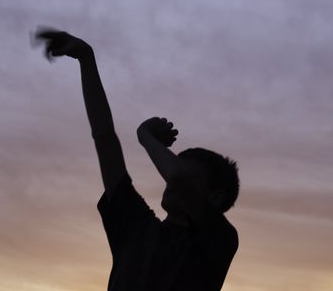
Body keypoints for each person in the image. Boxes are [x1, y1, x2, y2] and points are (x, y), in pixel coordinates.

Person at [33, 29, 240, 291]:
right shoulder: (135, 227)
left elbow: (176, 176)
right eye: (171, 172)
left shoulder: (218, 241)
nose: (171, 181)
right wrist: (86, 59)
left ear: (215, 197)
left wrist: (144, 135)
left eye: (189, 177)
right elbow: (104, 137)